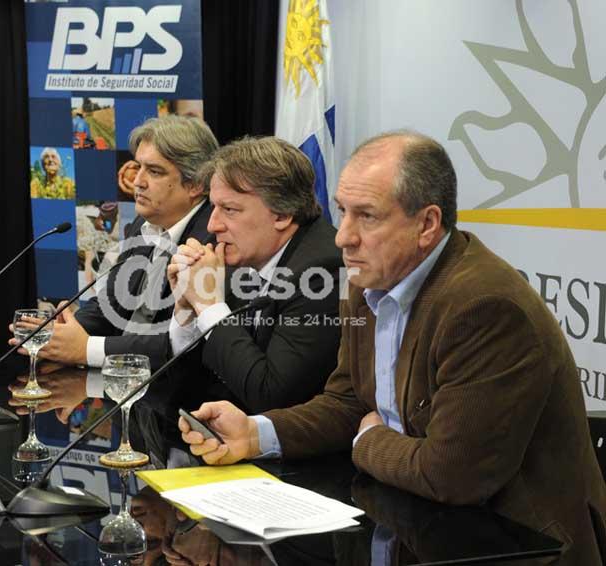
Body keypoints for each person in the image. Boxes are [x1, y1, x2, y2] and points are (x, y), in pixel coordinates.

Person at [180, 131, 606, 564]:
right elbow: (348, 401)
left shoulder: (484, 308)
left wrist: (368, 438)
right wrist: (255, 434)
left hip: (511, 548)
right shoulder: (367, 279)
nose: (343, 237)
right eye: (343, 212)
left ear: (427, 224)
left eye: (366, 216)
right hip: (414, 526)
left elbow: (451, 475)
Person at [13, 115, 219, 372]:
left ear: (196, 184)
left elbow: (183, 342)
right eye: (138, 167)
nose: (137, 181)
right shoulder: (144, 223)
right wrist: (64, 332)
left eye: (154, 171)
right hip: (125, 377)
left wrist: (85, 348)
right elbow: (111, 303)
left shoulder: (213, 241)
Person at [166, 136, 342, 414]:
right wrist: (187, 309)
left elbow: (271, 395)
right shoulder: (237, 253)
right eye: (213, 207)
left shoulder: (322, 272)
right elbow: (187, 383)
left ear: (282, 215)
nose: (212, 225)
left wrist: (208, 305)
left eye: (230, 210)